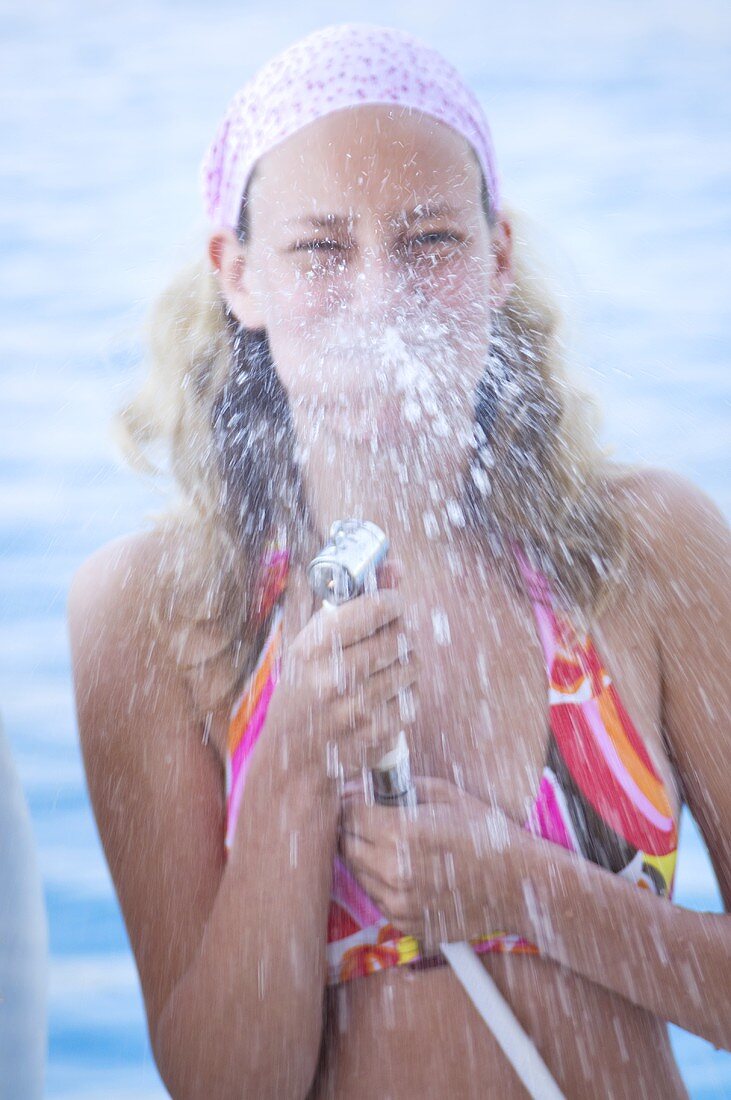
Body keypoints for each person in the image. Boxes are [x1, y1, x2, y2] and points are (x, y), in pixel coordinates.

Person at [67, 22, 730, 1100]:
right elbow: (224, 1082)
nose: (381, 294)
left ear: (496, 258)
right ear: (238, 276)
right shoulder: (149, 611)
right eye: (320, 249)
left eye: (428, 240)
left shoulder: (643, 546)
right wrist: (290, 766)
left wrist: (527, 892)